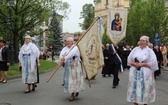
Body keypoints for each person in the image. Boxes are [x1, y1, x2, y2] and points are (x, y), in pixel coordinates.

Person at [127, 36, 158, 105]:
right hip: (135, 72)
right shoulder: (135, 49)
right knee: (135, 87)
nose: (141, 42)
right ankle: (135, 102)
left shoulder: (150, 51)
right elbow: (129, 59)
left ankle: (145, 103)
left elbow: (153, 62)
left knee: (145, 88)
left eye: (143, 41)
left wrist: (143, 64)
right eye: (141, 40)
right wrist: (134, 63)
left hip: (145, 74)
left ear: (147, 42)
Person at [59, 37, 85, 101]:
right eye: (66, 41)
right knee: (70, 80)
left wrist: (64, 58)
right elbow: (61, 54)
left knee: (75, 79)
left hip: (75, 65)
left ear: (72, 42)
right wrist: (61, 59)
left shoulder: (75, 47)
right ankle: (72, 93)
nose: (67, 43)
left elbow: (71, 54)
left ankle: (76, 90)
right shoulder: (64, 48)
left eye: (69, 41)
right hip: (68, 65)